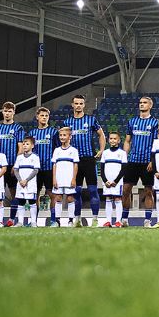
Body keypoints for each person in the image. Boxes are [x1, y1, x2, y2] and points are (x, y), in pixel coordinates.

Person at [63, 94, 106, 226]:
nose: (78, 106)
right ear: (72, 105)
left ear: (84, 105)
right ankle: (77, 219)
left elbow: (101, 135)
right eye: (76, 103)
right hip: (73, 161)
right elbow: (63, 139)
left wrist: (101, 150)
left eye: (81, 103)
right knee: (76, 191)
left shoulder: (91, 120)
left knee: (93, 190)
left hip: (88, 159)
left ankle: (95, 219)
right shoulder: (67, 122)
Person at [123, 96, 159, 225]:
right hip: (133, 161)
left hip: (147, 162)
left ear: (150, 105)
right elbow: (127, 141)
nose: (142, 104)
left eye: (145, 103)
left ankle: (147, 220)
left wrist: (152, 161)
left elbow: (156, 143)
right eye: (140, 102)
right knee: (126, 190)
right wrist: (125, 157)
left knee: (148, 191)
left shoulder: (155, 123)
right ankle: (124, 219)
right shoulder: (132, 121)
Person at [0, 101, 25, 224]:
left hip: (11, 165)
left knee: (14, 193)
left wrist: (16, 164)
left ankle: (11, 219)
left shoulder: (18, 128)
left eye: (10, 111)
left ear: (14, 112)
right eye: (5, 111)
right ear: (2, 112)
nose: (7, 113)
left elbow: (21, 147)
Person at [26, 107, 59, 226]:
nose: (44, 118)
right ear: (37, 117)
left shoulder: (54, 132)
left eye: (46, 116)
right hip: (36, 169)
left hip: (49, 167)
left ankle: (54, 220)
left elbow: (58, 150)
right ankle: (33, 221)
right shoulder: (32, 133)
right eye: (42, 115)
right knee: (35, 194)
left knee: (52, 194)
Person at [50, 127, 81, 227]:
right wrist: (54, 178)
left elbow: (75, 165)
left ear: (70, 137)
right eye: (60, 135)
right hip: (59, 178)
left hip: (69, 178)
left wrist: (74, 179)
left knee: (70, 198)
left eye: (64, 135)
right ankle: (57, 221)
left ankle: (70, 220)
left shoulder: (73, 150)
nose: (62, 137)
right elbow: (54, 165)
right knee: (58, 198)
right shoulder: (56, 150)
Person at [99, 131, 128, 227]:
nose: (113, 140)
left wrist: (116, 181)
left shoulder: (122, 153)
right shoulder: (105, 153)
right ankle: (108, 221)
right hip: (107, 181)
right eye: (111, 138)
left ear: (119, 140)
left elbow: (124, 169)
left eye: (115, 139)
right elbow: (102, 169)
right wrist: (105, 181)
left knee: (117, 198)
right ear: (108, 140)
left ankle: (118, 221)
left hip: (117, 182)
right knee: (108, 198)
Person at [13, 137, 41, 227]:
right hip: (21, 183)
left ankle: (33, 222)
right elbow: (16, 170)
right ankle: (20, 222)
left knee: (32, 202)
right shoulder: (19, 157)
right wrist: (20, 180)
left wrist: (26, 180)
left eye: (27, 144)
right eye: (24, 144)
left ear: (32, 146)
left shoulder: (35, 157)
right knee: (21, 202)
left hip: (30, 183)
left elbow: (36, 170)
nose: (25, 146)